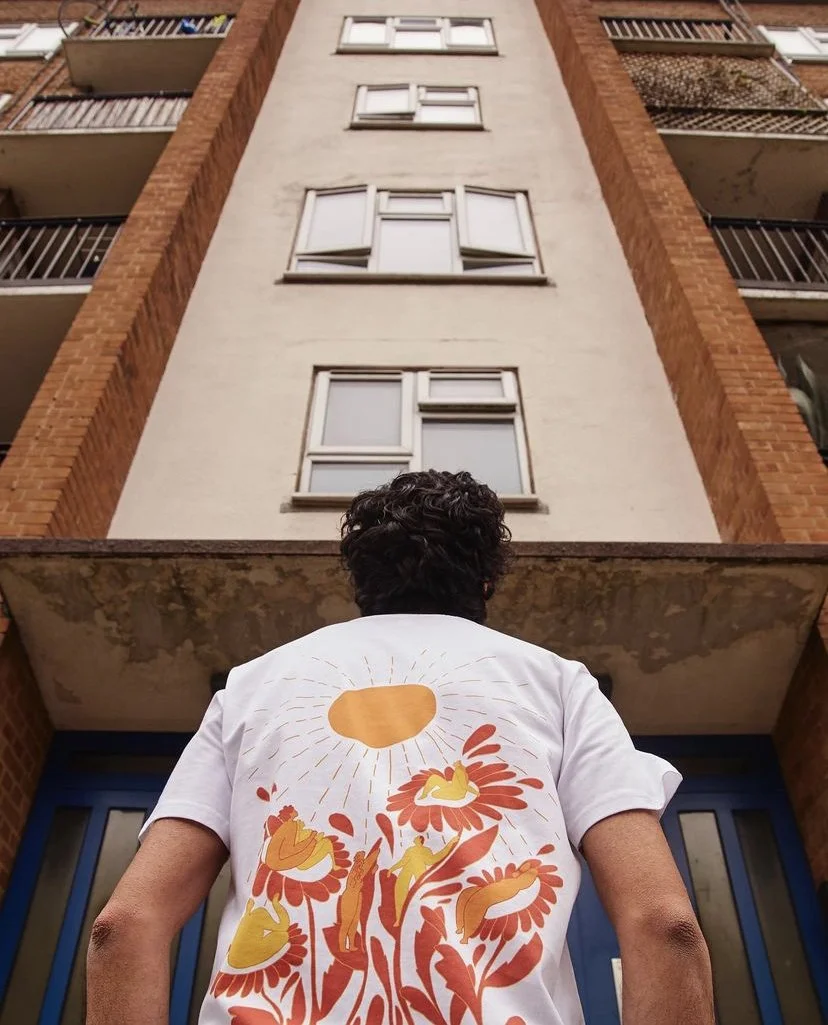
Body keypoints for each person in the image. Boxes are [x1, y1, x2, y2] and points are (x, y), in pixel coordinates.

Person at [86, 470, 714, 1025]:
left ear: (362, 583)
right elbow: (666, 925)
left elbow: (125, 925)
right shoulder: (558, 684)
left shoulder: (251, 688)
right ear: (485, 582)